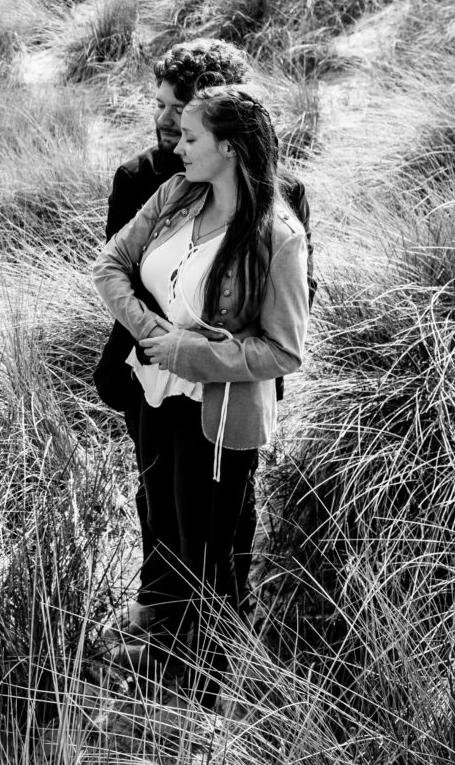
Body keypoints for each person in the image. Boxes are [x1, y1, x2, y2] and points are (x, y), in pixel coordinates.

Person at [93, 84, 311, 698]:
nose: (177, 146)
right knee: (165, 534)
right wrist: (152, 335)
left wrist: (190, 353)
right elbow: (110, 265)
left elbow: (285, 350)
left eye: (191, 138)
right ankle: (166, 665)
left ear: (230, 147)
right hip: (152, 392)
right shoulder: (176, 194)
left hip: (218, 413)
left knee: (208, 556)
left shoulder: (278, 235)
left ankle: (205, 693)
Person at [93, 40, 255, 635]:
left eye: (178, 107)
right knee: (156, 494)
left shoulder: (276, 196)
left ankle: (225, 631)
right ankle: (158, 611)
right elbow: (120, 274)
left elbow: (293, 298)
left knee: (227, 510)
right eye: (159, 103)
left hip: (229, 382)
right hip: (150, 371)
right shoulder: (140, 178)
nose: (164, 119)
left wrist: (217, 351)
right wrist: (157, 339)